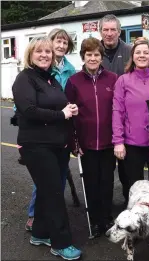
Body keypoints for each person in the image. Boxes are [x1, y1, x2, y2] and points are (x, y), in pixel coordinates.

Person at [12, 36, 81, 260]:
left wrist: (69, 108)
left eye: (48, 52)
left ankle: (40, 233)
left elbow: (56, 105)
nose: (44, 55)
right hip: (36, 147)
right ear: (30, 55)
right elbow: (28, 110)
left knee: (45, 191)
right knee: (53, 194)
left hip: (56, 146)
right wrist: (61, 114)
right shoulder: (25, 79)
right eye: (39, 52)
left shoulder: (50, 79)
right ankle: (61, 243)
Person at [65, 37, 118, 238]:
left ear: (102, 57)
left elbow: (119, 110)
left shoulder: (112, 79)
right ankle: (95, 220)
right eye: (89, 55)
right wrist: (73, 141)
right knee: (91, 183)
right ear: (83, 57)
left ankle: (106, 218)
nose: (93, 58)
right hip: (85, 144)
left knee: (107, 182)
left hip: (108, 142)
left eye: (97, 54)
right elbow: (68, 114)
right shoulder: (74, 81)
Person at [25, 28, 76, 232]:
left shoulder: (71, 70)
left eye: (65, 42)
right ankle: (35, 215)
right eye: (57, 41)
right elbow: (26, 104)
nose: (61, 45)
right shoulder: (40, 69)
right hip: (42, 128)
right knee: (44, 178)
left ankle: (53, 214)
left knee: (59, 176)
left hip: (62, 127)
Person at [112, 37, 149, 198]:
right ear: (133, 56)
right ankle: (134, 218)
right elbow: (117, 112)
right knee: (133, 186)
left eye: (146, 52)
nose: (142, 55)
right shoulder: (123, 80)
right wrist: (118, 141)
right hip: (132, 144)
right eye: (138, 52)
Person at [99, 14, 132, 203]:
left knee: (127, 169)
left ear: (119, 32)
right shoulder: (94, 52)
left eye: (113, 30)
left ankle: (131, 206)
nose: (109, 34)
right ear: (100, 31)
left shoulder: (130, 51)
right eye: (106, 30)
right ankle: (105, 210)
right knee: (105, 170)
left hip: (127, 121)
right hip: (103, 121)